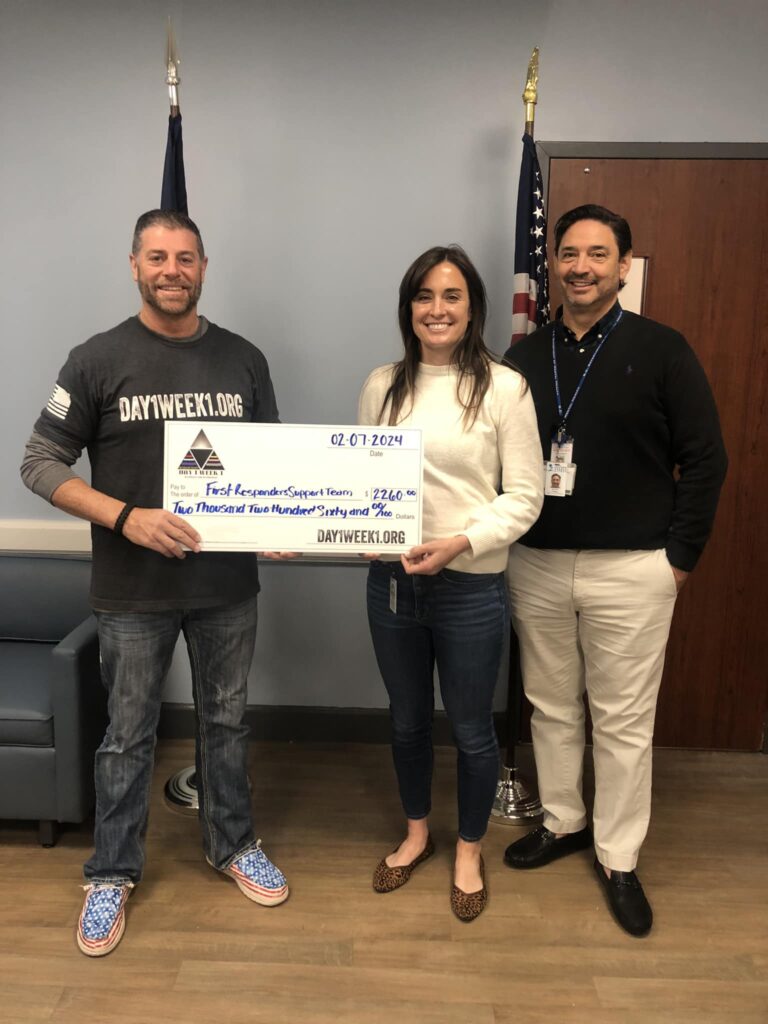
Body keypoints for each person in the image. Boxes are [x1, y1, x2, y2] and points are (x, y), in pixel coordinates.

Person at [20, 210, 289, 957]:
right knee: (128, 735)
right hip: (131, 589)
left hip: (226, 587)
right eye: (158, 257)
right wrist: (126, 517)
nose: (173, 270)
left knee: (226, 723)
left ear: (204, 267)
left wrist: (287, 519)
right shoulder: (96, 359)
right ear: (134, 265)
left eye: (186, 258)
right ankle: (111, 871)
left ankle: (232, 844)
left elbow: (273, 465)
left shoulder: (243, 359)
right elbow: (39, 463)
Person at [502, 204, 727, 937]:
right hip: (535, 562)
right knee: (551, 704)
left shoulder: (663, 349)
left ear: (624, 266)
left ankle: (619, 856)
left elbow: (706, 460)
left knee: (623, 721)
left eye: (598, 254)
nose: (581, 267)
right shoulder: (522, 360)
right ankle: (563, 821)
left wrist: (679, 561)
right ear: (554, 264)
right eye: (569, 253)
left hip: (633, 569)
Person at [358, 245, 543, 922]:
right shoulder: (382, 385)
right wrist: (349, 530)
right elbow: (361, 480)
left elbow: (525, 497)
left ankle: (469, 848)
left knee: (470, 730)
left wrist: (460, 542)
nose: (437, 309)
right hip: (393, 586)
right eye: (424, 296)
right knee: (407, 722)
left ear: (473, 307)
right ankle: (416, 835)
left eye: (452, 295)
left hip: (471, 588)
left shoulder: (504, 388)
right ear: (408, 308)